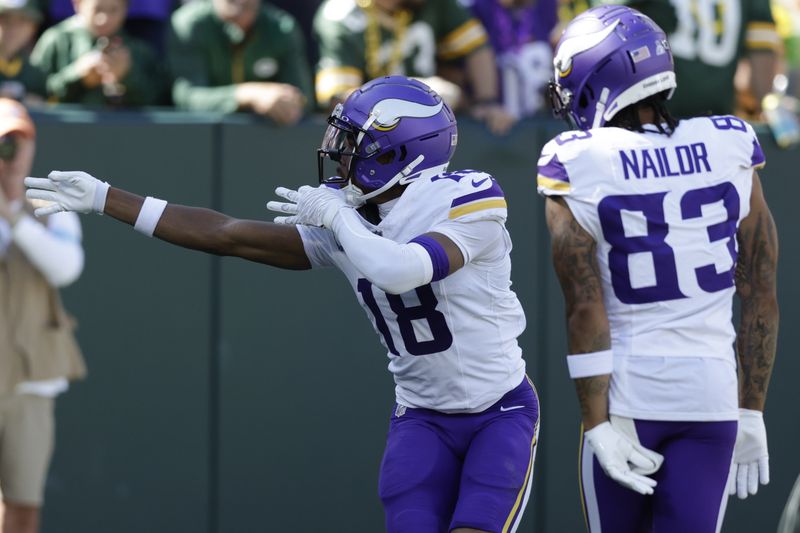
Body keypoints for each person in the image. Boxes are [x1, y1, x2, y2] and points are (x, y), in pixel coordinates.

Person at [25, 75, 540, 533]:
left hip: (498, 413)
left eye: (353, 144)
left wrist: (340, 220)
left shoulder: (467, 197)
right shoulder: (352, 218)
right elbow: (228, 235)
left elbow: (402, 269)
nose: (339, 155)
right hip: (421, 416)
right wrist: (106, 198)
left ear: (398, 152)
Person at [538, 5, 778, 532]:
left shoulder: (576, 159)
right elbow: (759, 289)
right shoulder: (728, 141)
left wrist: (596, 422)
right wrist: (752, 409)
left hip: (628, 397)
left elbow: (584, 309)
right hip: (711, 399)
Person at [0, 98, 86, 533]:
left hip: (31, 375)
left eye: (17, 142)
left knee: (22, 503)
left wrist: (15, 215)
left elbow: (66, 268)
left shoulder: (48, 201)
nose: (9, 154)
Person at [313, 0, 516, 135]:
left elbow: (476, 48)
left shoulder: (433, 4)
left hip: (428, 131)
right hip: (369, 137)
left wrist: (486, 101)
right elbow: (337, 100)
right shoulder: (339, 16)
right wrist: (416, 94)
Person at [167, 0, 312, 126]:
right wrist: (247, 95)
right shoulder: (189, 24)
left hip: (266, 140)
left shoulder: (282, 28)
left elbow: (304, 99)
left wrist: (287, 103)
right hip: (200, 141)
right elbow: (187, 99)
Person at [29, 0, 166, 107]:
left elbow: (159, 100)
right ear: (78, 4)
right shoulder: (57, 41)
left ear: (126, 9)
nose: (104, 18)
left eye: (113, 10)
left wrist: (127, 77)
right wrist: (77, 75)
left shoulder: (138, 51)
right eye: (97, 9)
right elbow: (34, 91)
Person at [463, 0, 559, 119]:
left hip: (541, 122)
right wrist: (483, 104)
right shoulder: (475, 9)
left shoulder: (545, 5)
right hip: (495, 126)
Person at [0, 0, 46, 101]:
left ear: (33, 28)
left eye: (22, 21)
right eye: (6, 20)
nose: (13, 28)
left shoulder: (35, 73)